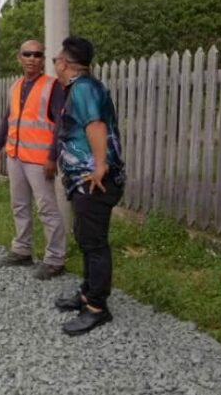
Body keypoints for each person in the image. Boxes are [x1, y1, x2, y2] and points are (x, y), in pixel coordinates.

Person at [51, 36, 125, 336]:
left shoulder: (82, 88)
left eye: (56, 59)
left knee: (94, 243)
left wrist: (99, 166)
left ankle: (97, 307)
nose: (54, 63)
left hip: (94, 180)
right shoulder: (80, 88)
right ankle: (87, 292)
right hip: (83, 180)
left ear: (65, 63)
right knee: (85, 236)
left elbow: (95, 125)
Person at [0, 40, 67, 281]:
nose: (32, 58)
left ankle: (55, 259)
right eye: (28, 54)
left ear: (43, 59)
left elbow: (60, 125)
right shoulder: (15, 87)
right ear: (19, 57)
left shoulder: (52, 86)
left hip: (39, 160)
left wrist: (52, 157)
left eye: (37, 54)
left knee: (47, 208)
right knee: (19, 205)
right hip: (15, 156)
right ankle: (22, 249)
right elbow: (8, 118)